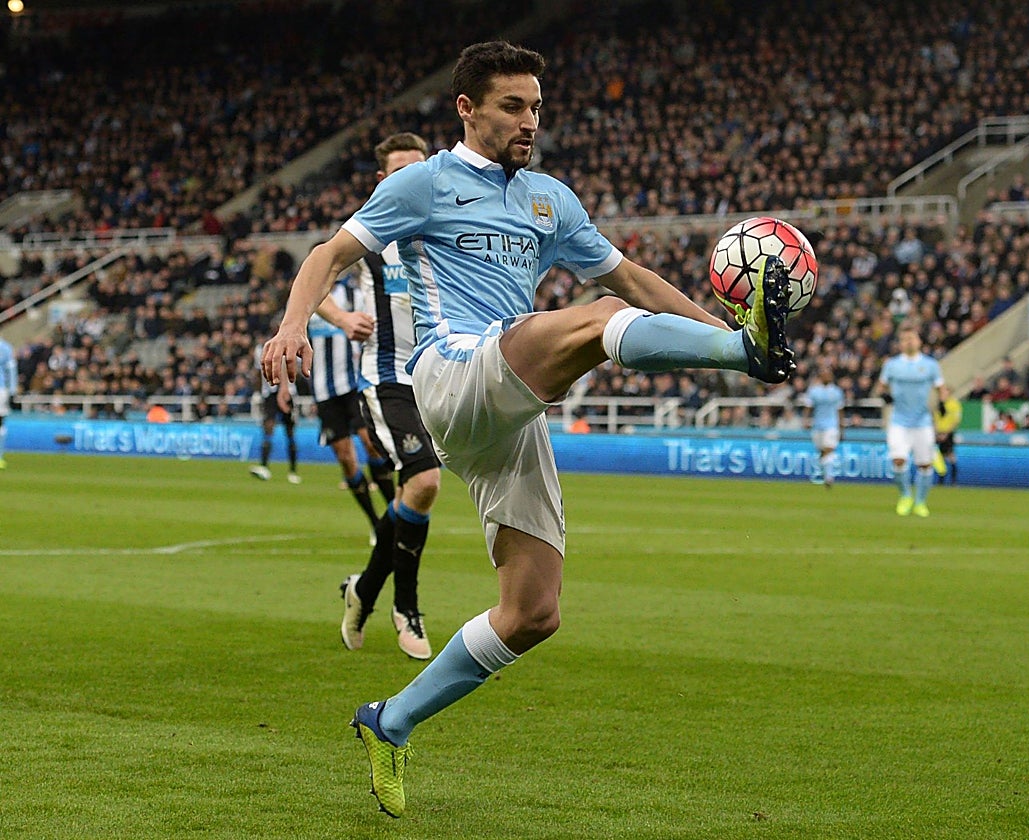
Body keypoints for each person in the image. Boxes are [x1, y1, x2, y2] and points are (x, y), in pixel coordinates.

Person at [260, 40, 796, 816]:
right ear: (467, 108)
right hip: (451, 370)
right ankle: (743, 355)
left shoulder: (550, 198)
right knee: (603, 319)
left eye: (537, 106)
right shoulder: (423, 183)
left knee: (533, 611)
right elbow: (328, 253)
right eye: (513, 105)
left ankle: (392, 720)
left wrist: (714, 321)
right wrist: (291, 327)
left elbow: (634, 277)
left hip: (511, 406)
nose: (529, 121)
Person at [319, 132, 443, 661]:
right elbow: (316, 273)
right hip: (388, 377)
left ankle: (363, 590)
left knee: (411, 494)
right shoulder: (370, 234)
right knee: (425, 479)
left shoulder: (447, 227)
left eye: (419, 169)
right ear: (382, 180)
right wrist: (343, 317)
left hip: (442, 375)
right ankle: (406, 607)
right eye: (400, 172)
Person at [306, 262, 397, 541]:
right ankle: (376, 523)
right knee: (346, 459)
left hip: (355, 384)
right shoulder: (307, 298)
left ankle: (397, 515)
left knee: (370, 443)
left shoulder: (354, 296)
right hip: (324, 391)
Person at [876, 321, 943, 517]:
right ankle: (905, 495)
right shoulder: (892, 365)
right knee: (898, 460)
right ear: (900, 343)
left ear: (919, 341)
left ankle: (921, 502)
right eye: (904, 339)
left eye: (911, 338)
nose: (908, 342)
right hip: (899, 421)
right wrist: (885, 396)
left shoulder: (930, 365)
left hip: (922, 421)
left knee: (924, 464)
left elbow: (941, 388)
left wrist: (943, 404)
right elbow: (881, 387)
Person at [251, 340, 301, 484]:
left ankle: (293, 471)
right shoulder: (261, 348)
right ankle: (264, 466)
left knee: (290, 431)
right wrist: (257, 392)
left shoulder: (290, 345)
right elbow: (257, 372)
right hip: (270, 393)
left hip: (288, 393)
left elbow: (293, 368)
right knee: (268, 427)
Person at [802, 366, 843, 487]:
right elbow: (809, 407)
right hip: (817, 425)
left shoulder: (836, 391)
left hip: (832, 425)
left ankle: (829, 478)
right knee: (822, 451)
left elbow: (840, 410)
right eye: (824, 374)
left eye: (828, 374)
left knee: (828, 448)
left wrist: (841, 427)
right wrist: (805, 420)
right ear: (821, 377)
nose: (827, 376)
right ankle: (823, 474)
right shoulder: (814, 391)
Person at [933, 384, 961, 485]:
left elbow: (956, 420)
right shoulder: (939, 404)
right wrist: (937, 432)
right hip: (939, 433)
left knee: (950, 455)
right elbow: (936, 419)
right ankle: (941, 481)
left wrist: (946, 433)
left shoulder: (954, 404)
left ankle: (953, 481)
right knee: (939, 457)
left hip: (948, 433)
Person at [0, 336, 16, 470]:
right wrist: (12, 391)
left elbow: (11, 369)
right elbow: (11, 370)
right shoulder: (5, 347)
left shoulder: (5, 347)